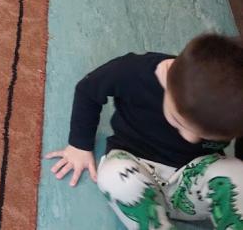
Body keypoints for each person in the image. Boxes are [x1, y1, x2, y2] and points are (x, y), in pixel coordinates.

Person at [46, 33, 243, 229]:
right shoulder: (134, 71)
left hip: (193, 184)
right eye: (178, 122)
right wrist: (80, 145)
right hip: (136, 165)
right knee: (114, 177)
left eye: (206, 137)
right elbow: (88, 89)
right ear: (166, 78)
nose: (191, 138)